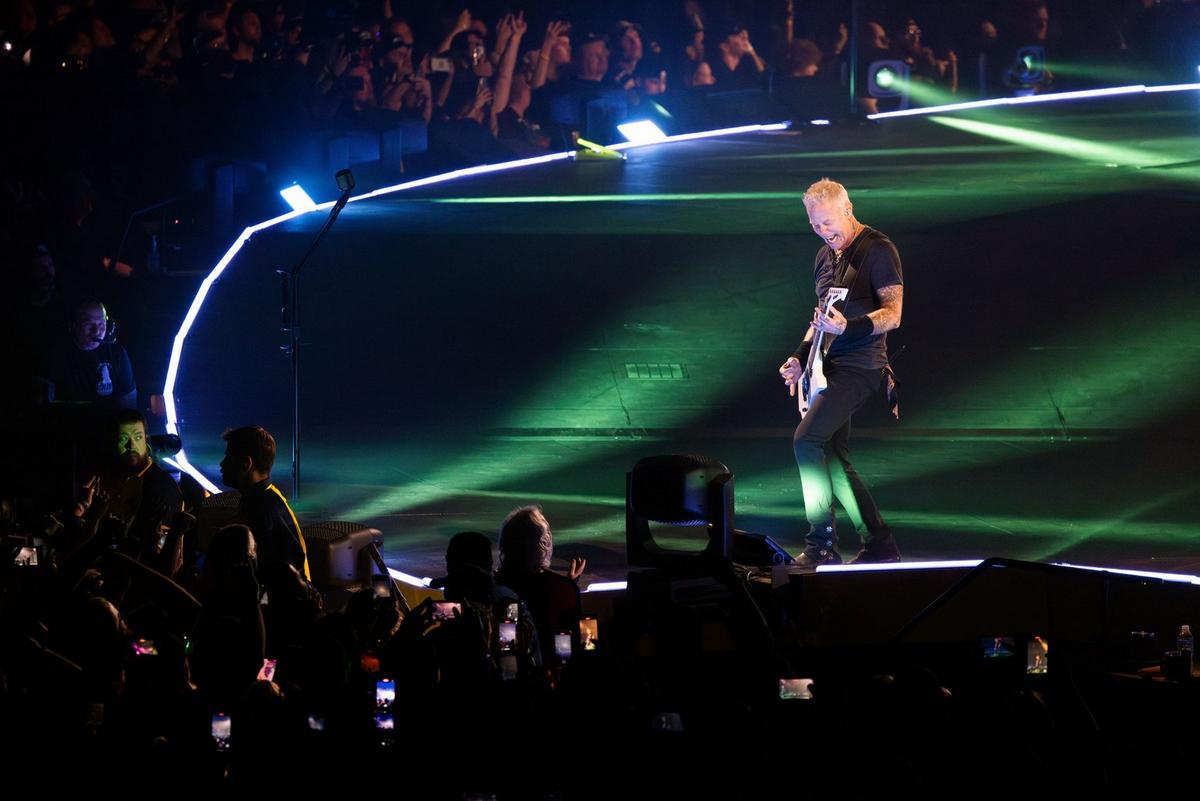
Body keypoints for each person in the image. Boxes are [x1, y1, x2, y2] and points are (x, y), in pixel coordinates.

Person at [778, 179, 903, 565]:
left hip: (861, 366)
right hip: (825, 367)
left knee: (806, 441)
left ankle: (821, 543)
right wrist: (799, 357)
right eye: (815, 225)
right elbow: (819, 318)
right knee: (832, 454)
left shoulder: (877, 249)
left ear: (848, 210)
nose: (823, 231)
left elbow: (893, 315)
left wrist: (850, 327)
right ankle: (879, 545)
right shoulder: (823, 256)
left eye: (828, 222)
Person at [218, 426, 310, 590]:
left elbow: (281, 582)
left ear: (246, 463)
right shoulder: (262, 498)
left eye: (228, 457)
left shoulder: (264, 509)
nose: (222, 464)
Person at [39, 297, 136, 408]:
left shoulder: (117, 353)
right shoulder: (55, 354)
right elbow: (42, 403)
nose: (97, 331)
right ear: (73, 326)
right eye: (88, 324)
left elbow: (129, 405)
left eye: (101, 324)